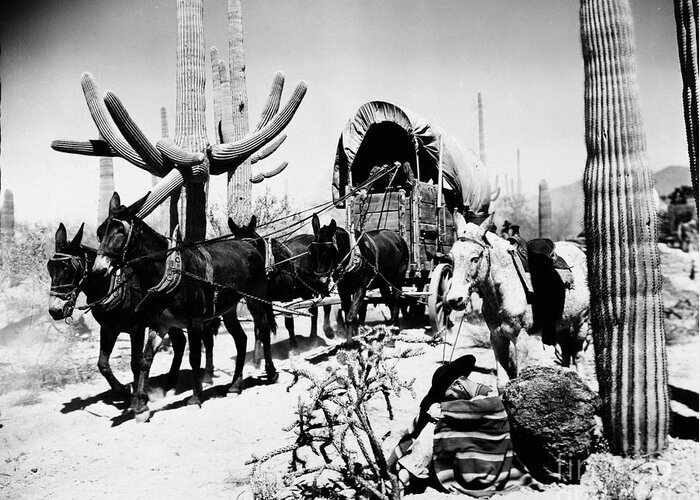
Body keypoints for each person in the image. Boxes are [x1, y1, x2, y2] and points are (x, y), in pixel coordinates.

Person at [388, 355, 523, 496]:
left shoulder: (488, 400)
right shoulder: (468, 402)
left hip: (484, 468)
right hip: (469, 460)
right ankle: (396, 471)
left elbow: (483, 407)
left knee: (435, 424)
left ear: (458, 384)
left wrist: (443, 410)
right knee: (427, 421)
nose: (450, 399)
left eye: (450, 395)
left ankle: (403, 477)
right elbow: (417, 427)